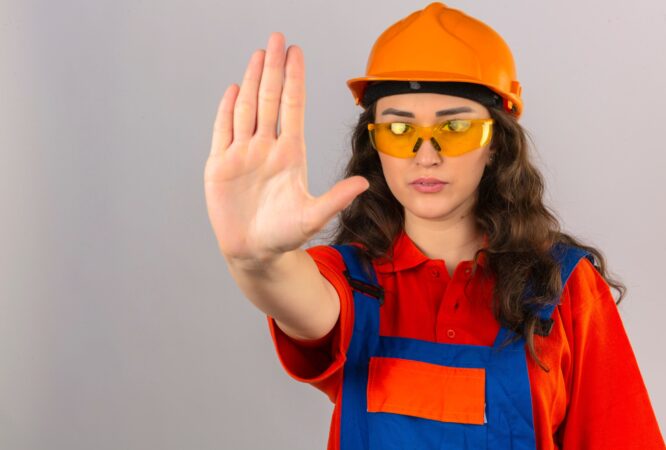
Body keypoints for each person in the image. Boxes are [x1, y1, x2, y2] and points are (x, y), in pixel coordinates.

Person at [204, 2, 664, 449]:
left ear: (496, 145)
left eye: (455, 128)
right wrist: (255, 259)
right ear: (375, 145)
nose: (426, 154)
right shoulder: (350, 284)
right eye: (399, 130)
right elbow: (291, 292)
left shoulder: (563, 288)